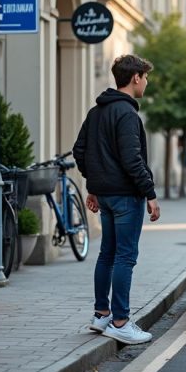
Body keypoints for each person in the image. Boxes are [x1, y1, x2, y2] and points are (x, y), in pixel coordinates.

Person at [73, 54, 160, 345]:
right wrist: (149, 193)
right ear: (135, 78)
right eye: (145, 78)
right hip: (125, 196)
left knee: (107, 255)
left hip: (106, 196)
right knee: (125, 256)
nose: (146, 83)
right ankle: (121, 321)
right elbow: (131, 159)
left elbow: (80, 151)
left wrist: (94, 185)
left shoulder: (96, 112)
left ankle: (101, 315)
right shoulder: (126, 114)